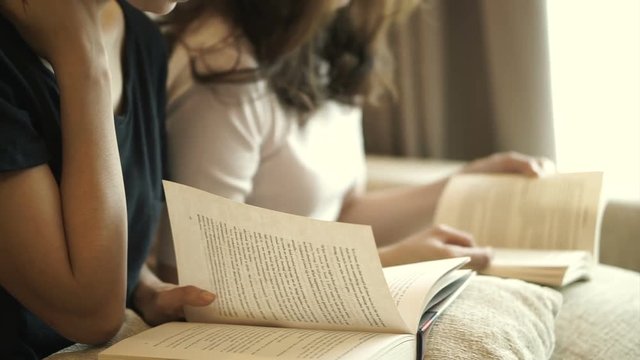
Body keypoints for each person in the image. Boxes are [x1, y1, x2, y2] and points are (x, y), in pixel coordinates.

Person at [156, 0, 554, 282]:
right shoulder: (221, 60)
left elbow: (340, 212)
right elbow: (193, 273)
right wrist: (384, 263)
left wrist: (465, 184)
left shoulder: (332, 37)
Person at [0, 1, 214, 358]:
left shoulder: (141, 37)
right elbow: (91, 314)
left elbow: (93, 241)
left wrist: (144, 290)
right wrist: (85, 62)